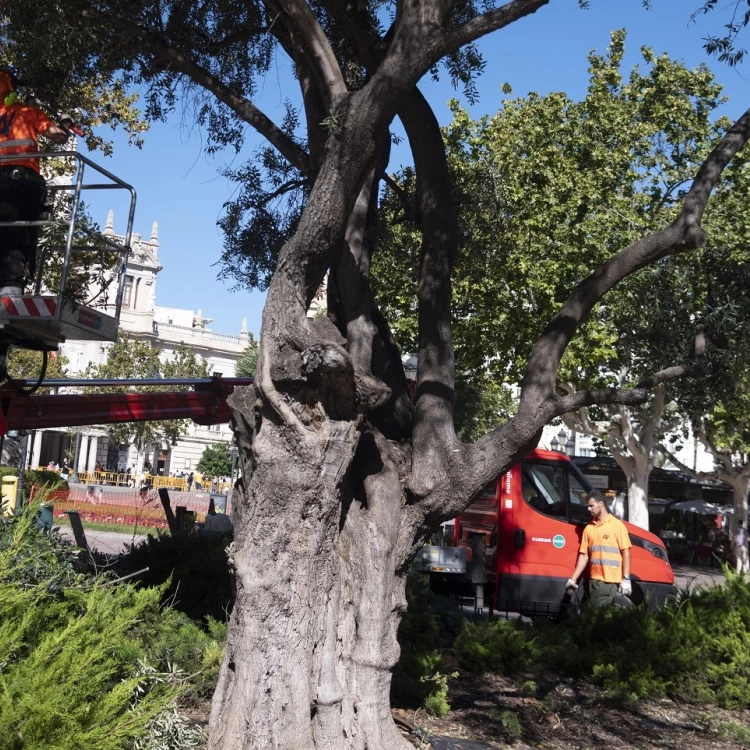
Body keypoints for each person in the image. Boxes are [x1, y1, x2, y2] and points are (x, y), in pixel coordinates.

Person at [0, 67, 71, 296]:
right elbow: (59, 136)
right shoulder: (30, 112)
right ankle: (11, 292)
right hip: (22, 183)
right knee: (20, 235)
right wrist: (66, 123)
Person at [566, 489, 632, 607]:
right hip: (593, 580)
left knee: (594, 614)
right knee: (594, 615)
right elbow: (584, 556)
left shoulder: (617, 526)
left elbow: (626, 552)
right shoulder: (589, 528)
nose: (588, 509)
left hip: (608, 581)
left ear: (601, 504)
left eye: (591, 506)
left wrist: (626, 578)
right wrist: (573, 579)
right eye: (588, 506)